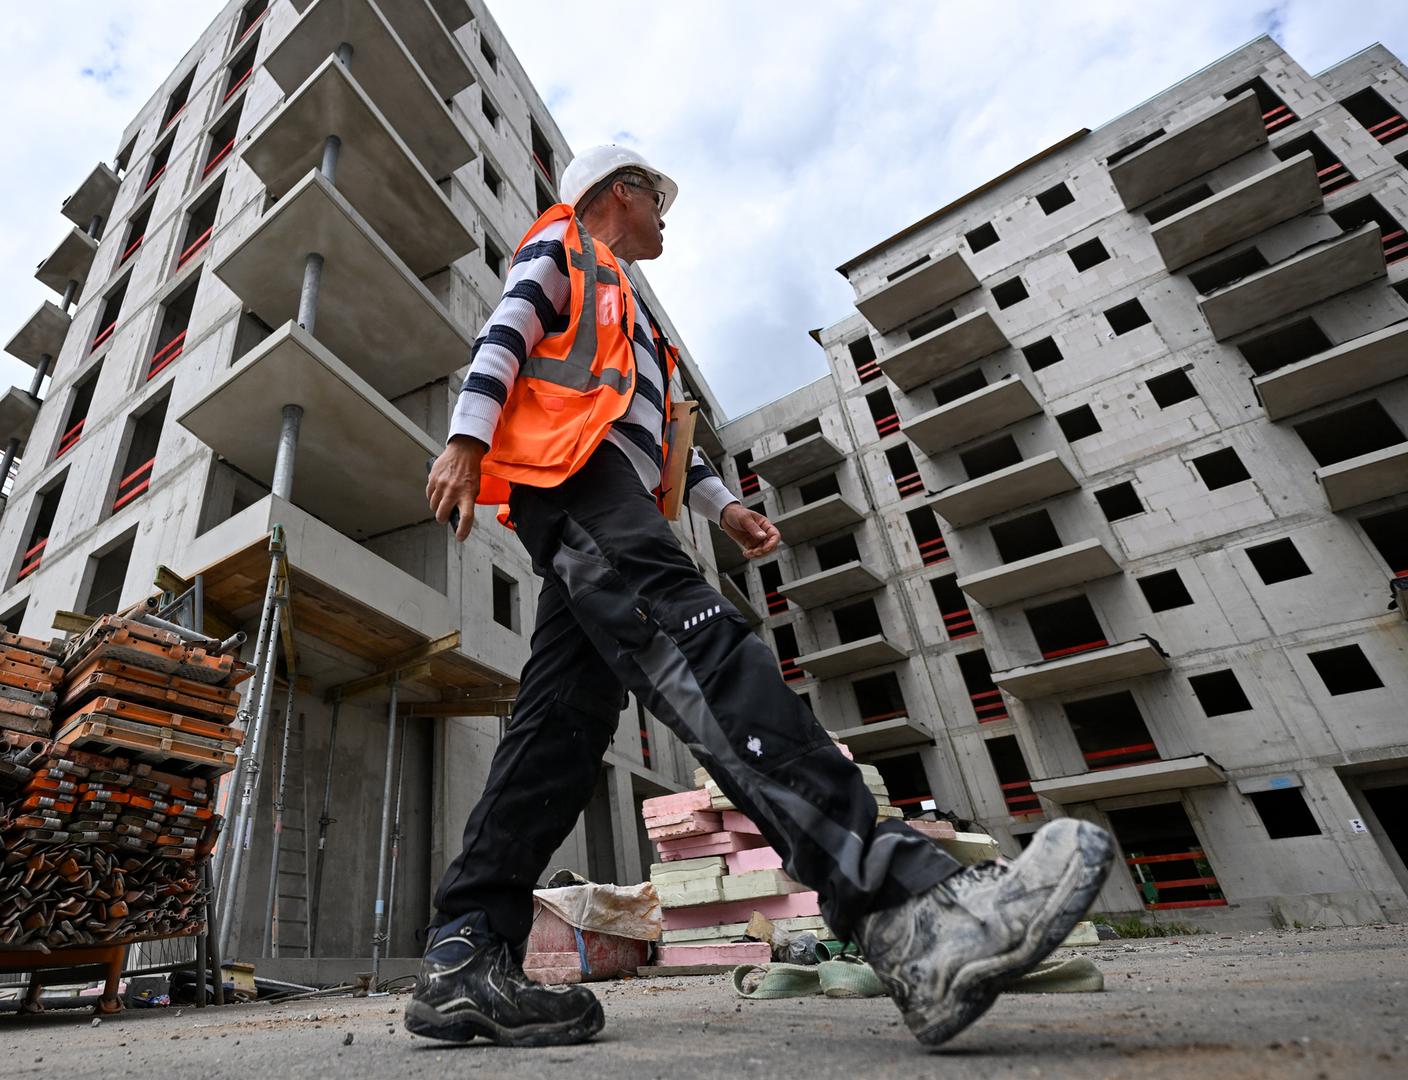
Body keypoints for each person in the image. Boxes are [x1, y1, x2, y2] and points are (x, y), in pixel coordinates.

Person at [404, 145, 1114, 1049]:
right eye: (657, 199)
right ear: (619, 194)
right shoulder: (565, 253)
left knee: (561, 729)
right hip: (574, 487)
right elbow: (503, 333)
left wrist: (724, 508)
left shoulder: (634, 317)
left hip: (604, 498)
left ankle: (466, 954)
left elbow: (662, 435)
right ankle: (906, 910)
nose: (667, 215)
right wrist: (465, 439)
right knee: (701, 645)